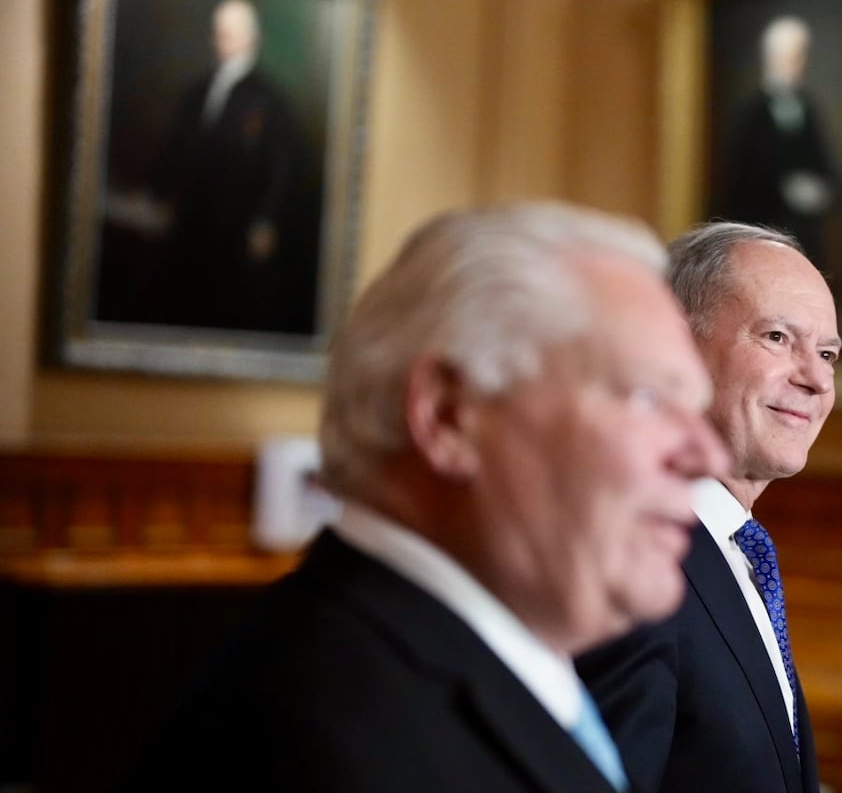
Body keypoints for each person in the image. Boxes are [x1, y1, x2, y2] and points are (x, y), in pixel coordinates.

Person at [116, 200, 729, 793]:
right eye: (650, 399)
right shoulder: (327, 739)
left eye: (697, 410)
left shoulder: (453, 663)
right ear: (448, 416)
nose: (708, 457)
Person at [577, 221, 841, 793]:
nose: (818, 378)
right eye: (777, 337)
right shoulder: (637, 559)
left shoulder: (740, 550)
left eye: (828, 353)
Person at [145, 0, 320, 333]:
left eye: (228, 33)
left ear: (250, 38)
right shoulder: (197, 93)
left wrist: (265, 221)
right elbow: (177, 151)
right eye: (217, 33)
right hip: (191, 223)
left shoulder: (268, 99)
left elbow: (281, 167)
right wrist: (157, 195)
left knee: (226, 307)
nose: (219, 40)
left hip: (235, 229)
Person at [716, 16, 842, 271]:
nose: (799, 64)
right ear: (772, 57)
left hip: (805, 238)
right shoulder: (752, 112)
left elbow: (826, 164)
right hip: (760, 234)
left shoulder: (808, 108)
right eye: (792, 56)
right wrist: (783, 190)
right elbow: (740, 178)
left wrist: (820, 190)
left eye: (800, 56)